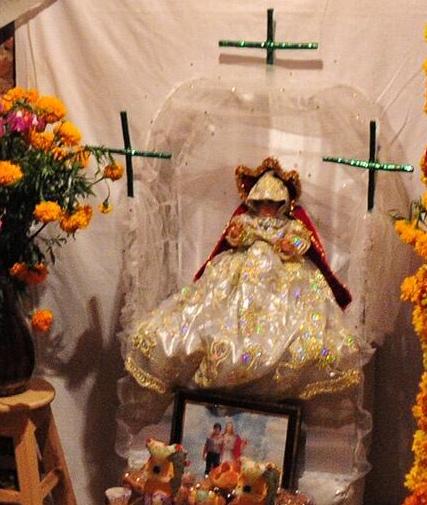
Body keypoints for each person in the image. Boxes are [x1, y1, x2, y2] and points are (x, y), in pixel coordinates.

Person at [125, 157, 370, 400]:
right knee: (216, 308)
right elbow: (232, 237)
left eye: (272, 203)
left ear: (282, 203)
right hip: (240, 274)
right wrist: (242, 234)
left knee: (297, 323)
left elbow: (303, 241)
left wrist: (287, 244)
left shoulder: (290, 224)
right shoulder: (245, 220)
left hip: (282, 281)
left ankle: (269, 356)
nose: (267, 208)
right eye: (262, 202)